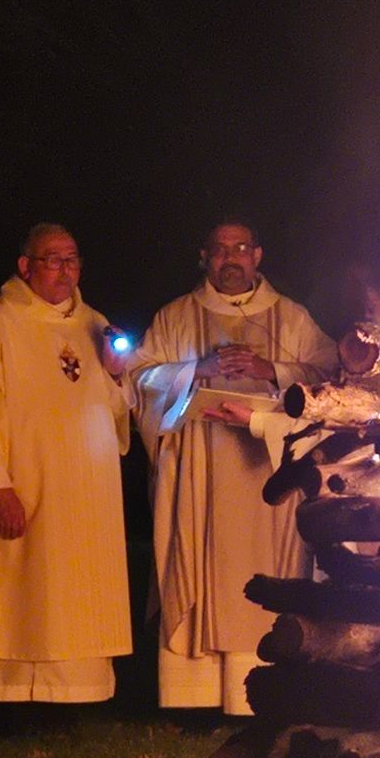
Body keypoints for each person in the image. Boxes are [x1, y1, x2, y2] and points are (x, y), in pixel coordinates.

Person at [133, 218, 339, 712]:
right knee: (200, 565)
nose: (231, 259)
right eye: (221, 249)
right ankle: (197, 694)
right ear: (204, 257)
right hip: (200, 470)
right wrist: (195, 370)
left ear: (257, 256)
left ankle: (262, 693)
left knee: (267, 571)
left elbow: (330, 376)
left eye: (241, 248)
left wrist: (273, 371)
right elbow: (138, 379)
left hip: (268, 475)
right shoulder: (176, 317)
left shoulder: (291, 318)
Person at [0, 224, 133, 706]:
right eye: (53, 259)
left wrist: (115, 374)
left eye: (72, 259)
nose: (65, 270)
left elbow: (113, 411)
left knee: (77, 590)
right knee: (18, 586)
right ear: (25, 266)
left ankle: (73, 696)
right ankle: (6, 698)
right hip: (24, 482)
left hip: (85, 493)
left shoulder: (95, 323)